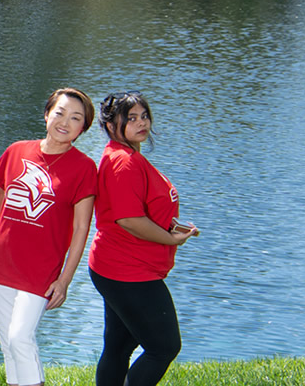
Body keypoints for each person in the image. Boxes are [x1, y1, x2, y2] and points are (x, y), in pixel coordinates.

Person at [0, 88, 98, 386]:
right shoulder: (16, 150)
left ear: (82, 128)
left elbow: (82, 228)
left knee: (20, 337)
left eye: (76, 118)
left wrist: (65, 279)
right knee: (8, 344)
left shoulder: (85, 168)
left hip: (41, 268)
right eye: (59, 112)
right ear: (47, 114)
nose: (65, 122)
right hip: (3, 261)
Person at [90, 90, 194, 386]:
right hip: (129, 272)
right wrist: (170, 240)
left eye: (144, 116)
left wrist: (169, 227)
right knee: (164, 347)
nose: (141, 123)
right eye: (131, 118)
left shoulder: (126, 156)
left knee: (119, 347)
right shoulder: (124, 162)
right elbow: (129, 220)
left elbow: (135, 212)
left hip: (117, 266)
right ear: (111, 126)